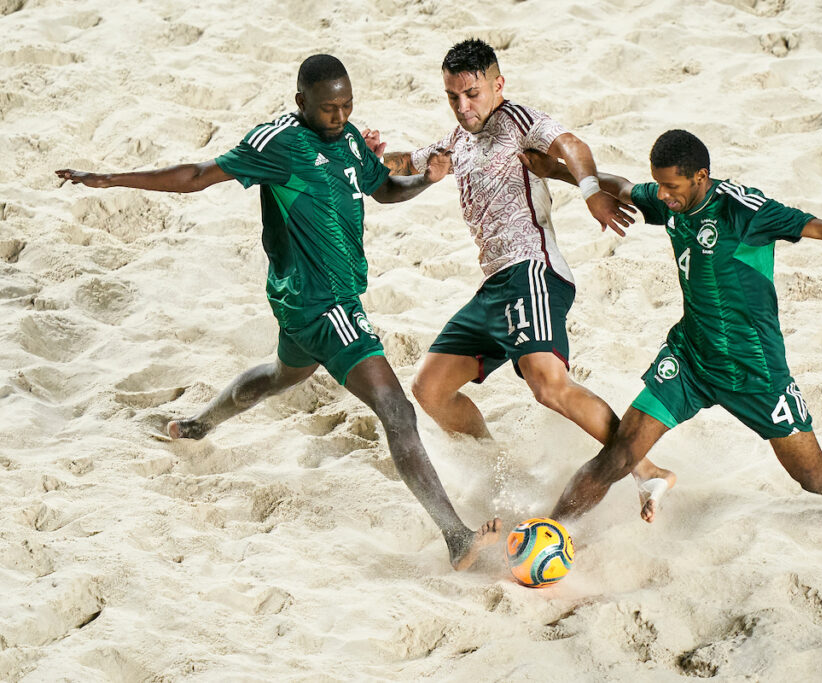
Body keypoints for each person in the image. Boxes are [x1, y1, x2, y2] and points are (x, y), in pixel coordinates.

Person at [54, 54, 502, 570]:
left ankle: (198, 425)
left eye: (347, 105)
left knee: (281, 373)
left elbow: (381, 189)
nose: (339, 117)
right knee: (396, 409)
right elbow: (198, 175)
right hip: (324, 303)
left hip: (303, 304)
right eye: (328, 108)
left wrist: (425, 179)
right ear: (301, 103)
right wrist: (112, 179)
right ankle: (455, 538)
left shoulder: (351, 139)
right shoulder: (278, 143)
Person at [521, 129, 822, 540]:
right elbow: (626, 188)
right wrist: (557, 172)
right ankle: (553, 531)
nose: (664, 196)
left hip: (755, 368)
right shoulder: (672, 202)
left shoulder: (745, 211)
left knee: (817, 476)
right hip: (691, 359)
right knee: (619, 455)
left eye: (672, 187)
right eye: (660, 185)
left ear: (701, 178)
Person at [365, 39, 676, 522]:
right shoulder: (458, 138)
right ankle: (499, 468)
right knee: (429, 389)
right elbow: (407, 162)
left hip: (532, 269)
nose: (463, 106)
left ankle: (646, 468)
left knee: (548, 386)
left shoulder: (516, 121)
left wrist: (592, 192)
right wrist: (369, 156)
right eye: (453, 96)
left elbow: (571, 145)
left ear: (497, 84)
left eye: (471, 93)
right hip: (495, 285)